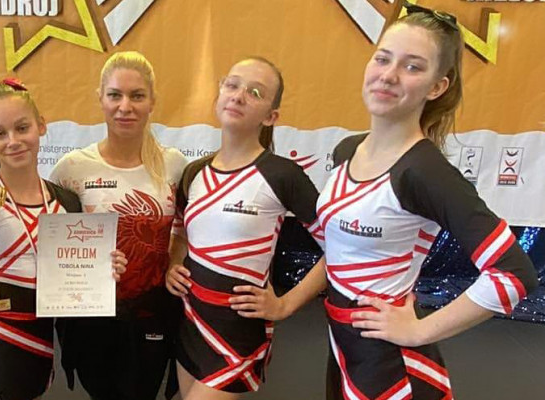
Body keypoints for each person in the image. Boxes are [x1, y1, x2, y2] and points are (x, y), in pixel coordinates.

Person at [316, 5, 538, 399]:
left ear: (437, 87)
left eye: (412, 67)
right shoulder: (347, 150)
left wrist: (419, 330)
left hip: (390, 364)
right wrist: (284, 305)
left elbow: (513, 273)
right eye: (383, 58)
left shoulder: (424, 171)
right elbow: (337, 251)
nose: (388, 75)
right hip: (345, 345)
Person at [0, 78, 127, 400]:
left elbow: (76, 273)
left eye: (22, 128)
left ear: (41, 125)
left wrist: (103, 269)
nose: (13, 141)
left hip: (41, 343)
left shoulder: (67, 203)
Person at [165, 56, 327, 399]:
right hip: (191, 320)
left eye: (255, 92)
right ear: (219, 93)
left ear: (271, 116)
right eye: (232, 85)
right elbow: (180, 234)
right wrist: (173, 264)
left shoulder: (282, 175)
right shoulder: (194, 173)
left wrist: (285, 305)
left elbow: (344, 248)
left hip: (238, 331)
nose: (238, 96)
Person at [49, 51, 188, 400]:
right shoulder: (72, 168)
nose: (125, 106)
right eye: (115, 95)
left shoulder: (175, 165)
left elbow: (186, 229)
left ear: (152, 101)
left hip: (152, 312)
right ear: (100, 98)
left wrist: (175, 262)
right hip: (91, 317)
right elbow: (49, 242)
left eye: (137, 96)